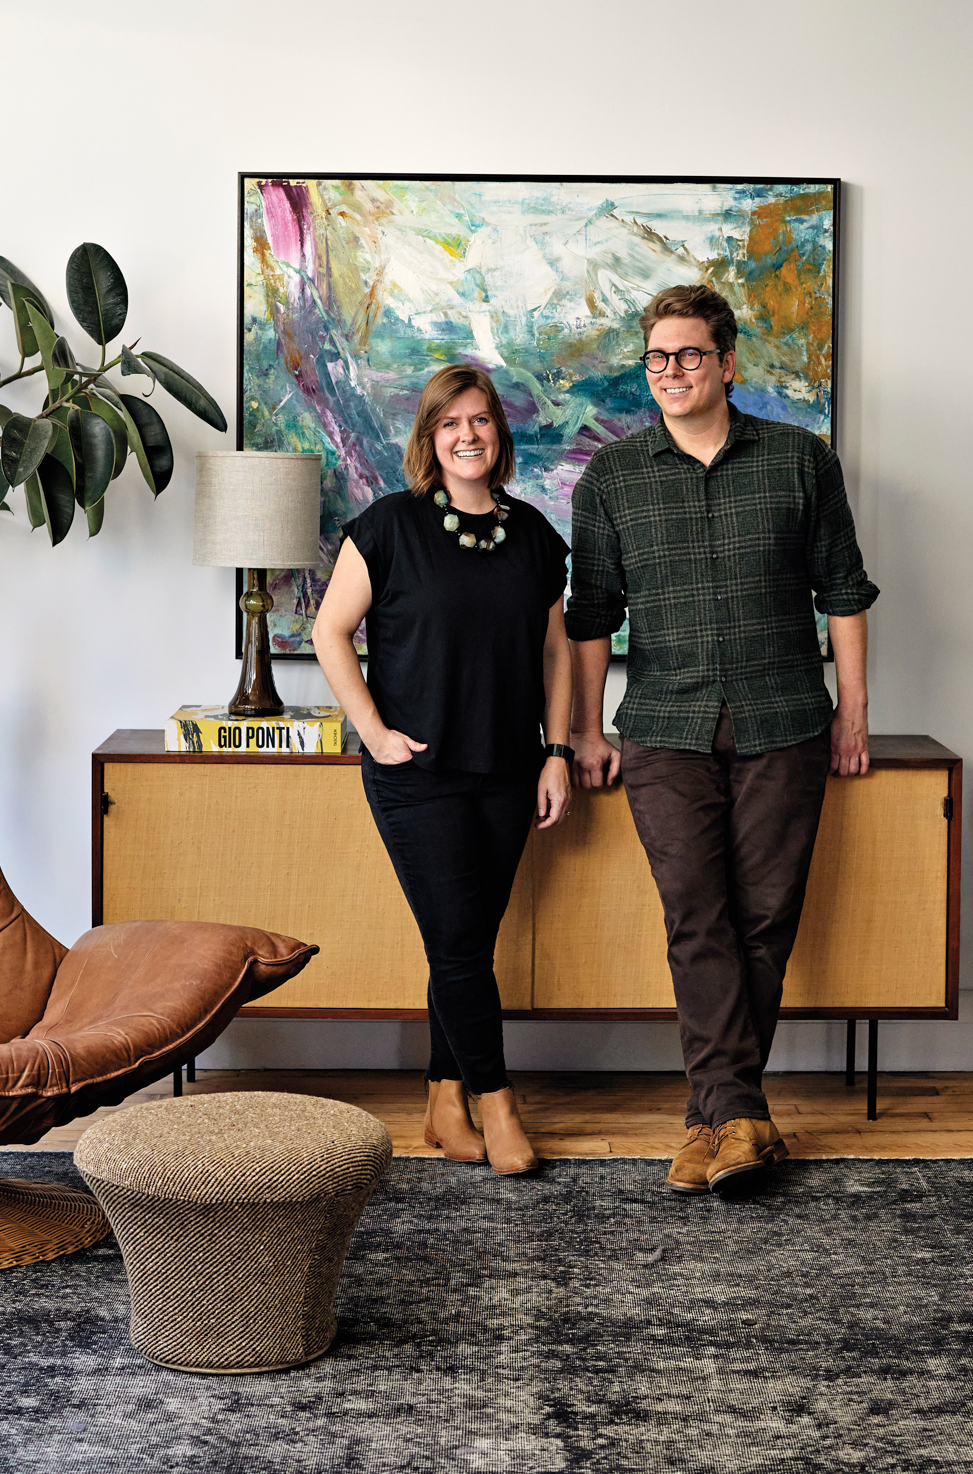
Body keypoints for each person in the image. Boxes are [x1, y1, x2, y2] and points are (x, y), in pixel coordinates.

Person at [565, 284, 879, 1197]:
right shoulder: (612, 478)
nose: (671, 372)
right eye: (657, 358)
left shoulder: (800, 462)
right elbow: (592, 617)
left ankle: (716, 1121)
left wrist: (852, 716)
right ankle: (737, 1114)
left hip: (786, 720)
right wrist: (585, 729)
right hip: (664, 728)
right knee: (696, 916)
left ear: (728, 362)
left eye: (690, 355)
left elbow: (845, 595)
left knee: (767, 920)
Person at [314, 363, 573, 1176]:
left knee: (460, 943)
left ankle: (440, 1101)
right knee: (462, 949)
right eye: (450, 423)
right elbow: (330, 632)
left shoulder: (533, 535)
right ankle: (496, 1105)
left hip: (506, 771)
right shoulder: (386, 527)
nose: (468, 435)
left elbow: (556, 653)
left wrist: (557, 750)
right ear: (430, 440)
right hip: (416, 776)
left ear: (499, 434)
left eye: (482, 421)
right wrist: (375, 731)